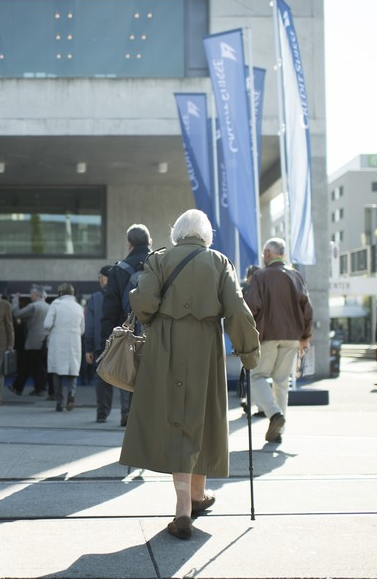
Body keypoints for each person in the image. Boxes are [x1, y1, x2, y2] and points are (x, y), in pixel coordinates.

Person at [120, 209, 259, 540]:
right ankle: (191, 501)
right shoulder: (219, 262)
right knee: (201, 418)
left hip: (163, 349)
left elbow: (144, 305)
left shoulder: (159, 259)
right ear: (206, 234)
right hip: (205, 349)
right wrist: (248, 354)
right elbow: (238, 310)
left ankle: (190, 502)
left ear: (177, 233)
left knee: (174, 421)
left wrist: (137, 296)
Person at [243, 237, 313, 443]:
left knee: (256, 377)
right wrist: (306, 336)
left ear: (267, 254)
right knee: (282, 382)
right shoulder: (296, 275)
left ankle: (274, 415)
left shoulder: (260, 276)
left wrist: (247, 334)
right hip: (292, 337)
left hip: (268, 335)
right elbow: (307, 308)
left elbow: (250, 307)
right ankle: (278, 432)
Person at [101, 223, 152, 426]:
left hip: (127, 331)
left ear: (128, 243)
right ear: (150, 242)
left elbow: (110, 308)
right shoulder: (160, 264)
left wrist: (106, 339)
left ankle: (127, 415)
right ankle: (148, 416)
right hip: (155, 331)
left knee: (127, 371)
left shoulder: (119, 269)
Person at [44, 283, 85, 412]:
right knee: (73, 371)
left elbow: (47, 324)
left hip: (58, 340)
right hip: (74, 340)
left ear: (60, 293)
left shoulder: (55, 305)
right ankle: (71, 396)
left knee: (57, 371)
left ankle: (59, 402)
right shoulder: (78, 307)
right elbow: (82, 329)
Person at [9, 285, 49, 396]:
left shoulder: (33, 306)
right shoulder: (48, 306)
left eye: (31, 294)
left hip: (33, 341)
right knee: (39, 366)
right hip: (45, 340)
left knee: (28, 365)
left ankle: (20, 387)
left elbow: (17, 313)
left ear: (36, 295)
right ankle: (38, 388)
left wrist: (15, 300)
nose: (30, 296)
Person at [85, 265, 112, 423]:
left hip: (100, 344)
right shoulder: (125, 294)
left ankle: (102, 413)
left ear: (103, 279)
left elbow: (90, 325)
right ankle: (126, 414)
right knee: (124, 377)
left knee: (102, 380)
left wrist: (88, 347)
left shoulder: (95, 298)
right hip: (121, 344)